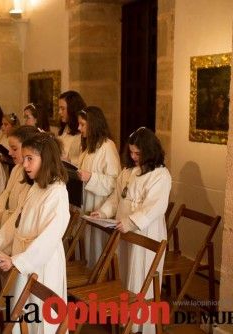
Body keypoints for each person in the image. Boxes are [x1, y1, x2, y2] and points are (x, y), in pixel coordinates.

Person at [91, 127, 171, 334]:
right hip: (126, 232)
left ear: (150, 151)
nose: (134, 157)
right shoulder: (128, 172)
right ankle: (129, 322)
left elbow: (155, 207)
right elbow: (117, 198)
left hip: (147, 234)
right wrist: (103, 212)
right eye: (132, 152)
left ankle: (144, 328)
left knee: (143, 277)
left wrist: (131, 222)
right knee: (128, 277)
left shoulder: (160, 175)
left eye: (139, 153)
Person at [0, 132, 69, 334]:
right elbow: (17, 218)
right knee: (23, 310)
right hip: (23, 255)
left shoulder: (57, 191)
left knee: (40, 316)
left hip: (42, 261)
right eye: (24, 159)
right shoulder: (36, 187)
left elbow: (50, 237)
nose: (24, 165)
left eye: (30, 159)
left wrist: (18, 261)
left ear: (47, 159)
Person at [77, 106, 121, 268]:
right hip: (85, 203)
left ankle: (96, 279)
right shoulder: (88, 146)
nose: (79, 128)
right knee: (85, 248)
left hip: (99, 205)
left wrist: (91, 178)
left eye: (82, 124)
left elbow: (114, 183)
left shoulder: (108, 147)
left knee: (96, 249)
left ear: (93, 124)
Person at [57, 90, 86, 166]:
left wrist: (69, 161)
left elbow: (85, 162)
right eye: (59, 108)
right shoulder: (65, 127)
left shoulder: (83, 132)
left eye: (63, 109)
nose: (59, 112)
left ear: (72, 109)